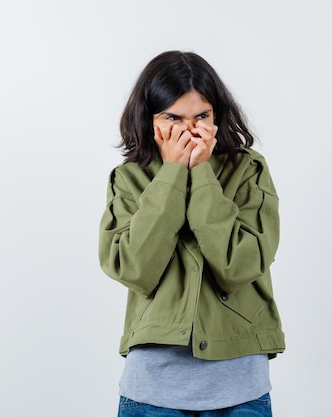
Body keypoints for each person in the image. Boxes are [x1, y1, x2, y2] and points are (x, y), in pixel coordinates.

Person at [98, 50, 285, 417]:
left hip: (240, 387)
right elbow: (133, 268)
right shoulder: (129, 179)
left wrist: (201, 174)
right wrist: (170, 175)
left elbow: (240, 266)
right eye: (172, 118)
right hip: (152, 391)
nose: (189, 130)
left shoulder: (248, 171)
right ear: (150, 120)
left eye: (201, 116)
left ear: (217, 116)